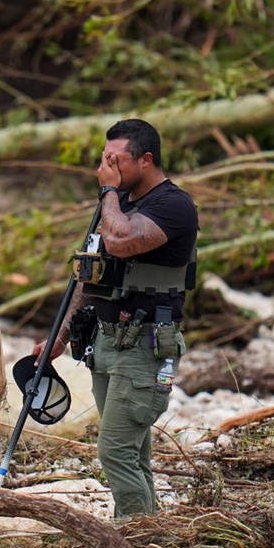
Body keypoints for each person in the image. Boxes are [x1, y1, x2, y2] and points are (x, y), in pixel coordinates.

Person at [34, 118, 198, 518]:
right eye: (103, 159)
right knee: (133, 452)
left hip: (145, 347)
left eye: (115, 160)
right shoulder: (118, 205)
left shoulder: (173, 205)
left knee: (115, 450)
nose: (105, 169)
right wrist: (62, 334)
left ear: (145, 160)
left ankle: (132, 540)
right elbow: (88, 276)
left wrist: (108, 192)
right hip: (106, 343)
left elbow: (122, 242)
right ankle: (151, 538)